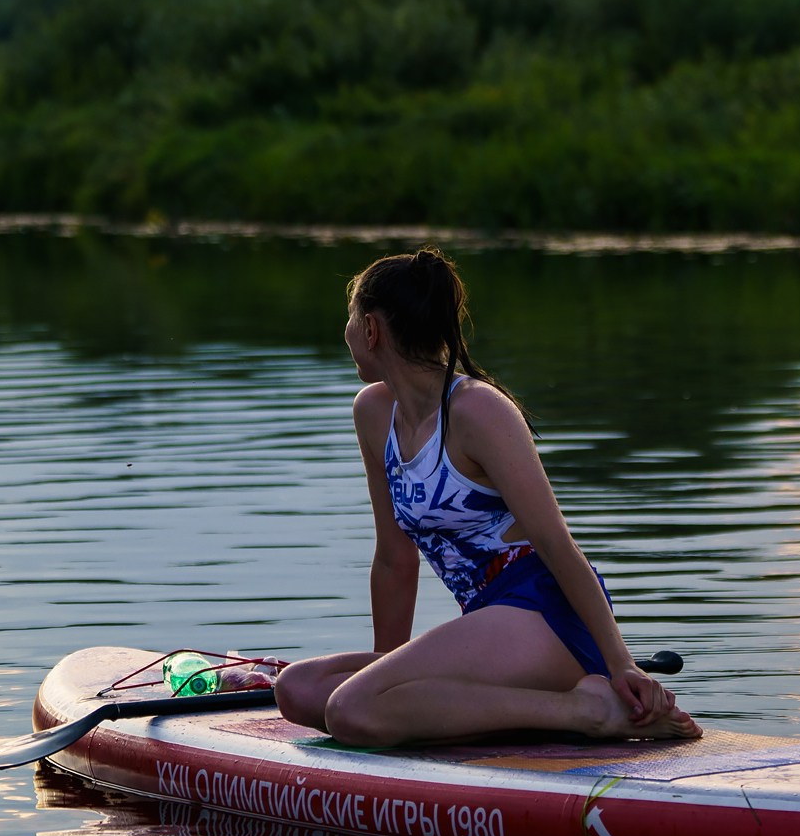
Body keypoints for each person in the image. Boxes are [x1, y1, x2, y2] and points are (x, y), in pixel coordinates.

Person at [275, 248, 698, 750]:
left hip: (544, 614)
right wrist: (389, 671)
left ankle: (586, 709)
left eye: (349, 320)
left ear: (370, 329)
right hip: (487, 620)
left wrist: (621, 663)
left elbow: (558, 545)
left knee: (350, 709)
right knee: (299, 691)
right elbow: (393, 556)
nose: (344, 334)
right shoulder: (373, 412)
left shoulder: (479, 411)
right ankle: (515, 711)